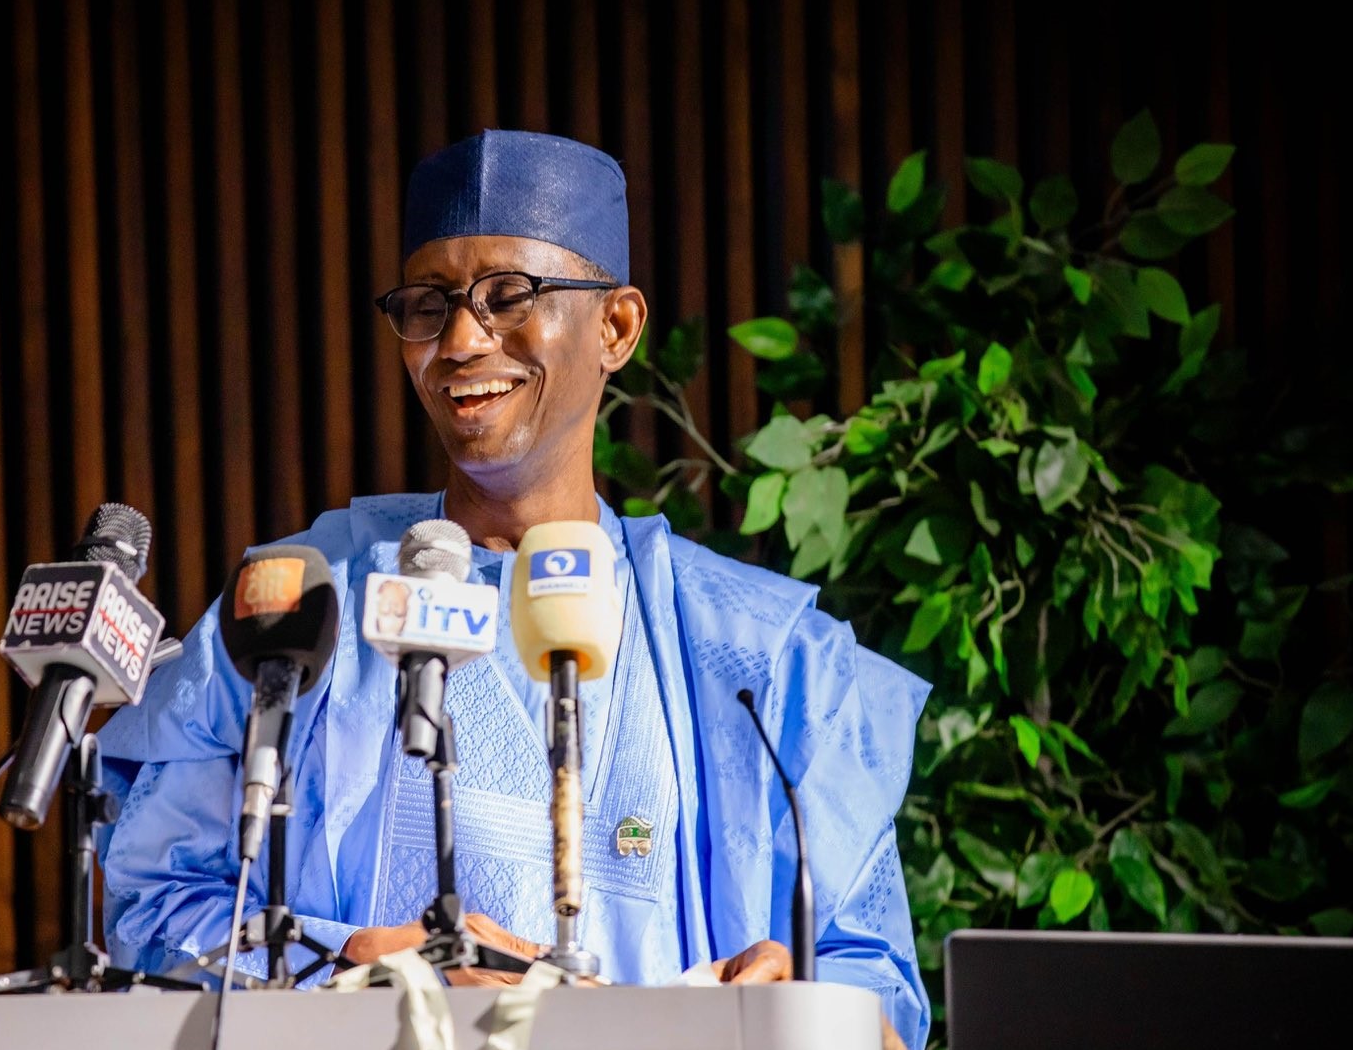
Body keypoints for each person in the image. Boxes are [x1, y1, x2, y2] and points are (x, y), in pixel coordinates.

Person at [95, 129, 928, 1049]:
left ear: (616, 329)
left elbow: (878, 992)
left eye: (508, 296)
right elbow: (149, 910)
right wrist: (352, 971)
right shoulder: (299, 603)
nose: (460, 341)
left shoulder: (764, 654)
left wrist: (801, 1003)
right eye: (428, 305)